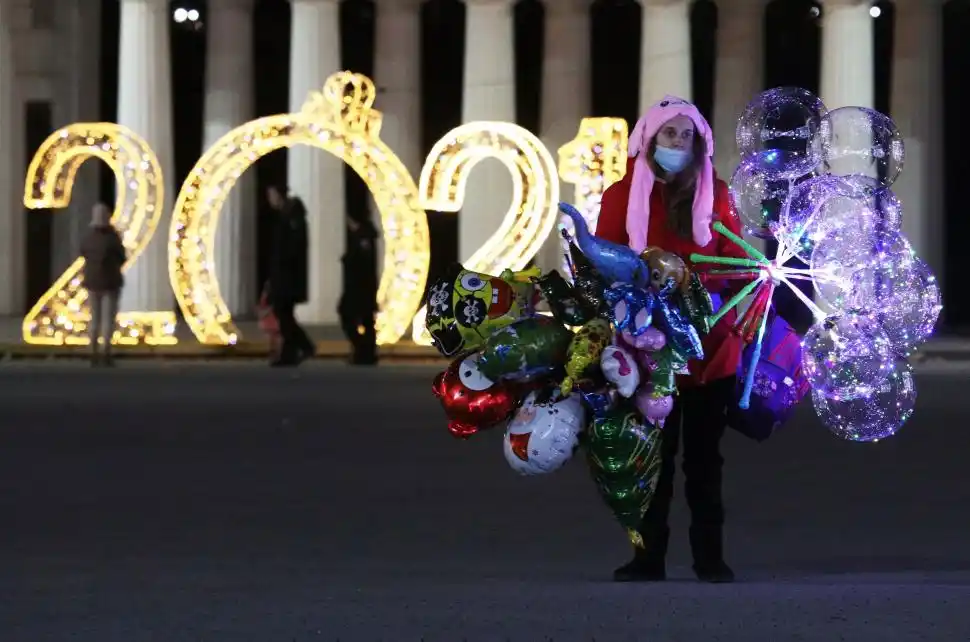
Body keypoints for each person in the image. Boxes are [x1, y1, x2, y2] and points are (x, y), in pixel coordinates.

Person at [595, 96, 750, 584]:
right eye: (670, 133)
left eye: (688, 136)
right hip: (645, 351)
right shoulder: (622, 196)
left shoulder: (716, 194)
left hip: (709, 350)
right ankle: (647, 558)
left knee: (705, 462)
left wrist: (694, 280)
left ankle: (710, 558)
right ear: (649, 138)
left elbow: (735, 261)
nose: (679, 143)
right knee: (649, 459)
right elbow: (603, 261)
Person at [265, 185, 316, 366]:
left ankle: (305, 346)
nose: (269, 199)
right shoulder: (286, 217)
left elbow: (291, 249)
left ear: (279, 195)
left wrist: (281, 270)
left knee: (283, 314)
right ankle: (289, 354)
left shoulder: (292, 218)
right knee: (285, 315)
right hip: (284, 276)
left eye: (271, 194)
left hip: (288, 277)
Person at [80, 203, 126, 367]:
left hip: (92, 282)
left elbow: (83, 252)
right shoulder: (112, 238)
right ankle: (105, 352)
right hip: (110, 282)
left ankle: (92, 351)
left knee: (94, 318)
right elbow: (122, 257)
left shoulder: (88, 237)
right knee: (108, 319)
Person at [338, 211, 379, 365]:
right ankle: (366, 352)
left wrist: (347, 261)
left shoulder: (362, 237)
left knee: (350, 316)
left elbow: (361, 263)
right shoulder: (364, 236)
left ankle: (363, 350)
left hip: (359, 287)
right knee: (366, 320)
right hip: (363, 287)